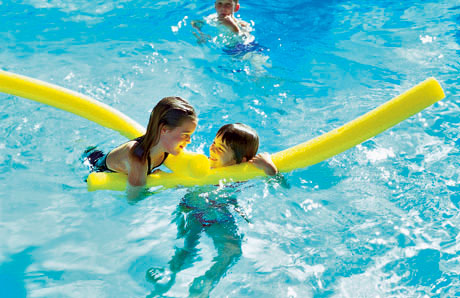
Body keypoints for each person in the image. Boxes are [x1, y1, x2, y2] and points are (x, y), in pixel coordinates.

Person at [145, 123, 277, 297]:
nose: (212, 148)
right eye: (214, 143)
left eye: (220, 148)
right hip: (191, 210)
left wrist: (270, 168)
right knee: (187, 246)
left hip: (219, 215)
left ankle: (208, 280)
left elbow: (279, 183)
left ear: (241, 160)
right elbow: (178, 178)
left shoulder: (242, 175)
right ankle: (170, 272)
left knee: (233, 249)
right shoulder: (201, 166)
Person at [84, 96, 197, 199]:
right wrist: (165, 182)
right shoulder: (139, 160)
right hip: (94, 167)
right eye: (185, 135)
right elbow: (132, 198)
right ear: (164, 130)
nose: (189, 140)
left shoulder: (168, 144)